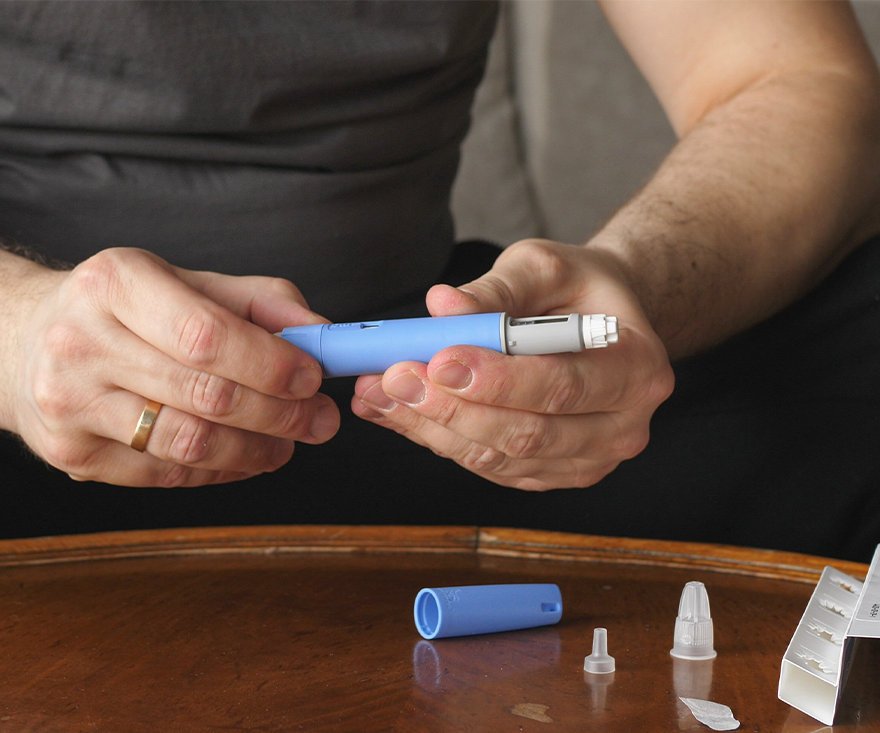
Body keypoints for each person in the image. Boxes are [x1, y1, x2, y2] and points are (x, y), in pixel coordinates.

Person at [1, 1, 879, 561]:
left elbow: (798, 78)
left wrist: (637, 279)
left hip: (415, 388)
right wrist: (21, 330)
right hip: (30, 406)